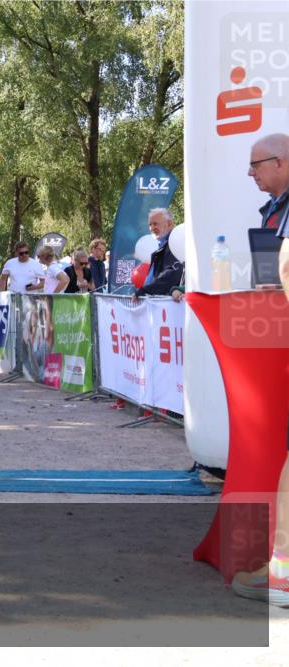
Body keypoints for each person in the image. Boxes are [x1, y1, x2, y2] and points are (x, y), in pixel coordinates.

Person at [232, 132, 289, 608]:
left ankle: (283, 575)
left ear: (283, 162)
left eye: (257, 164)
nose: (250, 172)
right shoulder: (277, 211)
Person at [134, 208, 183, 297]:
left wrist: (146, 291)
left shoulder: (176, 244)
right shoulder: (160, 248)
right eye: (150, 225)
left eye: (155, 224)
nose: (152, 228)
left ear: (169, 223)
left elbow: (170, 275)